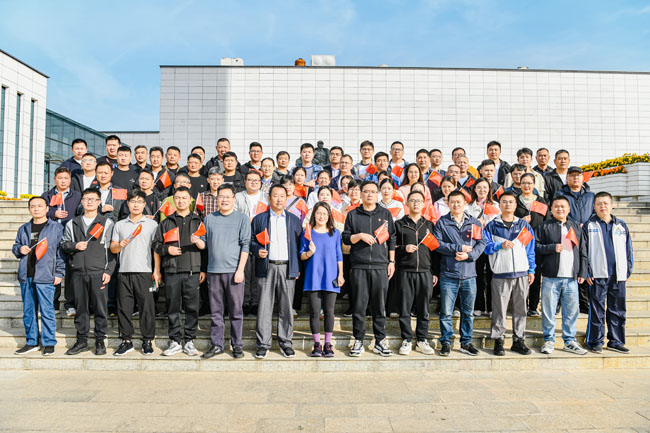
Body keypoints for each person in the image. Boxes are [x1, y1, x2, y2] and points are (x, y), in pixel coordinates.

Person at [342, 181, 396, 357]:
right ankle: (358, 340)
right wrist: (359, 236)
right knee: (359, 306)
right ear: (361, 193)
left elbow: (392, 238)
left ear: (378, 194)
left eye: (373, 191)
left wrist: (391, 261)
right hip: (359, 266)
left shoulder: (385, 214)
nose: (370, 194)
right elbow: (346, 238)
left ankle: (380, 341)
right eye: (366, 191)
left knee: (379, 306)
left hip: (380, 266)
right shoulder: (353, 214)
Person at [60, 188, 115, 356]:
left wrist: (108, 271)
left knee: (100, 309)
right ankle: (82, 340)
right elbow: (63, 244)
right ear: (82, 202)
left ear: (99, 203)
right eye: (86, 199)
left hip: (98, 272)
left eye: (93, 199)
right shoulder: (72, 223)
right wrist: (75, 245)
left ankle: (100, 340)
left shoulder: (106, 223)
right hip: (78, 273)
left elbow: (111, 250)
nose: (89, 202)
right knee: (81, 308)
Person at [250, 184, 303, 358]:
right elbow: (250, 240)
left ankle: (286, 342)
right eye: (275, 196)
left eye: (282, 196)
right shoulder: (259, 219)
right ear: (269, 198)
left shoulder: (294, 220)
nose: (279, 199)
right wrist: (257, 249)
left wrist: (296, 268)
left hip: (287, 267)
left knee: (286, 307)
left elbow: (299, 245)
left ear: (286, 198)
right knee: (264, 307)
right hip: (266, 267)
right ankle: (263, 344)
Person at [153, 187, 206, 357]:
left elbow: (207, 247)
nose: (181, 201)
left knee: (192, 308)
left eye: (184, 198)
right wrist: (167, 250)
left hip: (192, 271)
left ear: (190, 200)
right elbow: (156, 245)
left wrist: (203, 269)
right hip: (172, 270)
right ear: (173, 200)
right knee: (173, 307)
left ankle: (189, 340)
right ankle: (175, 340)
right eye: (177, 198)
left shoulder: (198, 221)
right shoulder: (166, 222)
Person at [199, 184, 250, 359]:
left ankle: (237, 345)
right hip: (214, 272)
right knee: (216, 312)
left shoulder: (242, 218)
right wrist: (196, 241)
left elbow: (245, 245)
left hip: (234, 272)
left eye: (228, 196)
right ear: (217, 199)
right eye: (221, 196)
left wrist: (240, 270)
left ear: (233, 199)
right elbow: (204, 244)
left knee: (236, 311)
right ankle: (217, 345)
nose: (225, 200)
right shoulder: (209, 219)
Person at [433, 190, 486, 356]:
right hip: (449, 274)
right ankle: (446, 341)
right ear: (448, 204)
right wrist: (458, 248)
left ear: (465, 204)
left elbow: (481, 243)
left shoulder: (474, 222)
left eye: (459, 202)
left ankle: (466, 342)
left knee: (468, 313)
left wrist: (469, 255)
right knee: (446, 312)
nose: (456, 205)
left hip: (469, 275)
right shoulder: (442, 222)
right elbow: (437, 244)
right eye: (452, 202)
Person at [580, 192, 634, 353]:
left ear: (612, 205)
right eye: (599, 204)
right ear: (594, 206)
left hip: (618, 275)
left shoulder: (621, 225)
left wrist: (627, 270)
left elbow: (628, 250)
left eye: (605, 203)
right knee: (597, 310)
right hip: (597, 274)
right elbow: (584, 251)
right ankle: (595, 341)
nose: (602, 206)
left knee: (617, 309)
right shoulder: (589, 225)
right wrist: (587, 271)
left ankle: (616, 341)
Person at [483, 191, 536, 356]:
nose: (507, 204)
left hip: (521, 273)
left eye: (511, 202)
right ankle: (498, 340)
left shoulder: (523, 226)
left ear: (515, 205)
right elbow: (485, 247)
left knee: (521, 309)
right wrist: (500, 245)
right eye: (504, 202)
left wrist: (531, 269)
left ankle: (518, 340)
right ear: (499, 205)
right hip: (500, 273)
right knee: (499, 309)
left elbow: (530, 249)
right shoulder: (491, 226)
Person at [534, 196, 588, 355]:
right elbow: (535, 247)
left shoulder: (575, 227)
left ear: (569, 209)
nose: (560, 209)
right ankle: (549, 340)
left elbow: (583, 251)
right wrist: (552, 247)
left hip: (571, 278)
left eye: (563, 206)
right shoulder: (544, 226)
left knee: (571, 312)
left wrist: (582, 272)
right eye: (556, 206)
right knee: (548, 311)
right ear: (551, 209)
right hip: (551, 277)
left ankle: (569, 341)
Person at [12, 197, 65, 356]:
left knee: (47, 311)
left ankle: (49, 342)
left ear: (47, 208)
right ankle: (32, 341)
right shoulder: (24, 228)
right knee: (28, 311)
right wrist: (19, 249)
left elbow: (61, 253)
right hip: (26, 274)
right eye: (33, 206)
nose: (36, 209)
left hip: (46, 275)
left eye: (40, 206)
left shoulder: (56, 228)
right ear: (29, 209)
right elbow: (15, 246)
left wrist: (59, 272)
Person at [110, 190, 160, 356]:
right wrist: (120, 245)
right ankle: (126, 340)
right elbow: (113, 248)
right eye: (133, 201)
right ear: (128, 204)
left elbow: (156, 250)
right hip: (124, 271)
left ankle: (147, 340)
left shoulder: (152, 224)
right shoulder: (120, 225)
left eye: (139, 201)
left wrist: (156, 270)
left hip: (144, 271)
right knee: (124, 308)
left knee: (147, 308)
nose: (136, 205)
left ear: (144, 204)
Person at [394, 190, 438, 356]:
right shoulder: (399, 224)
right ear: (407, 203)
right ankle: (406, 339)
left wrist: (434, 272)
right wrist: (404, 248)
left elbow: (435, 251)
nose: (416, 203)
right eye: (412, 200)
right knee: (404, 308)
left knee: (423, 308)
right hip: (405, 271)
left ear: (424, 203)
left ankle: (421, 339)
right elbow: (391, 248)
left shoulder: (429, 225)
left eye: (419, 201)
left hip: (425, 272)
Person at [300, 202, 344, 357]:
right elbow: (301, 255)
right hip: (313, 276)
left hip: (331, 276)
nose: (321, 216)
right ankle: (317, 344)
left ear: (329, 216)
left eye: (325, 213)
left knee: (329, 312)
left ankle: (328, 344)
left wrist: (340, 274)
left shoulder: (335, 233)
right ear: (314, 215)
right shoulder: (308, 233)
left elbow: (339, 255)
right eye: (318, 213)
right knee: (314, 312)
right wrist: (309, 253)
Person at [234, 170, 268, 316]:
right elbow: (233, 213)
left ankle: (256, 302)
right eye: (250, 180)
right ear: (245, 182)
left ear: (260, 183)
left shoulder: (266, 197)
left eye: (256, 180)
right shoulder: (238, 196)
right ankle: (245, 301)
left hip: (261, 238)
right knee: (245, 270)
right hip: (243, 237)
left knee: (257, 272)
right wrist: (244, 220)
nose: (253, 183)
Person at [515, 172, 549, 316]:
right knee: (520, 275)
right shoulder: (515, 201)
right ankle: (520, 305)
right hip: (519, 243)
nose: (526, 186)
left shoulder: (541, 201)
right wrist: (521, 221)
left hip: (536, 244)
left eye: (529, 183)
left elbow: (547, 222)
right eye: (524, 183)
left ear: (534, 185)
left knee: (535, 275)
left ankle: (533, 307)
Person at [465, 178, 500, 316]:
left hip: (491, 244)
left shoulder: (495, 206)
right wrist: (476, 224)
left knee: (492, 276)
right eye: (479, 187)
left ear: (489, 189)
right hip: (475, 245)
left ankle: (491, 307)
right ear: (474, 189)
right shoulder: (468, 206)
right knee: (477, 275)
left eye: (485, 187)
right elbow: (464, 226)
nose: (482, 190)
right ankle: (478, 306)